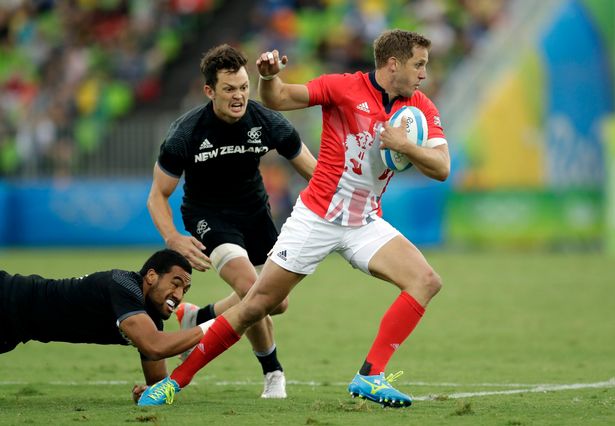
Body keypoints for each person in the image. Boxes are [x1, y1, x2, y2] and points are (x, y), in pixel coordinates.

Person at [139, 29, 450, 408]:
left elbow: (442, 167)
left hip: (364, 220)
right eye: (418, 65)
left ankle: (370, 376)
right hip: (316, 218)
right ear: (393, 64)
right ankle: (174, 383)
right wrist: (268, 77)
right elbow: (280, 97)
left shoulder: (421, 108)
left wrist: (406, 146)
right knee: (255, 306)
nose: (423, 74)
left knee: (425, 281)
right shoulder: (343, 88)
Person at [146, 44, 316, 399]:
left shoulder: (266, 121)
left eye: (243, 87)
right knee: (251, 290)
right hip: (209, 218)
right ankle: (273, 373)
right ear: (210, 91)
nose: (239, 96)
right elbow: (157, 194)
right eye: (229, 89)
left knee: (277, 302)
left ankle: (200, 317)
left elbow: (314, 173)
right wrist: (173, 237)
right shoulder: (186, 133)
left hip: (256, 215)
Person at [0, 249, 210, 404]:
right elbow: (154, 345)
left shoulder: (150, 320)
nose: (179, 296)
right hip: (7, 297)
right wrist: (215, 326)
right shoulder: (123, 284)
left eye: (185, 290)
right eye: (176, 283)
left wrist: (150, 392)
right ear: (152, 276)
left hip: (13, 331)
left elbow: (158, 384)